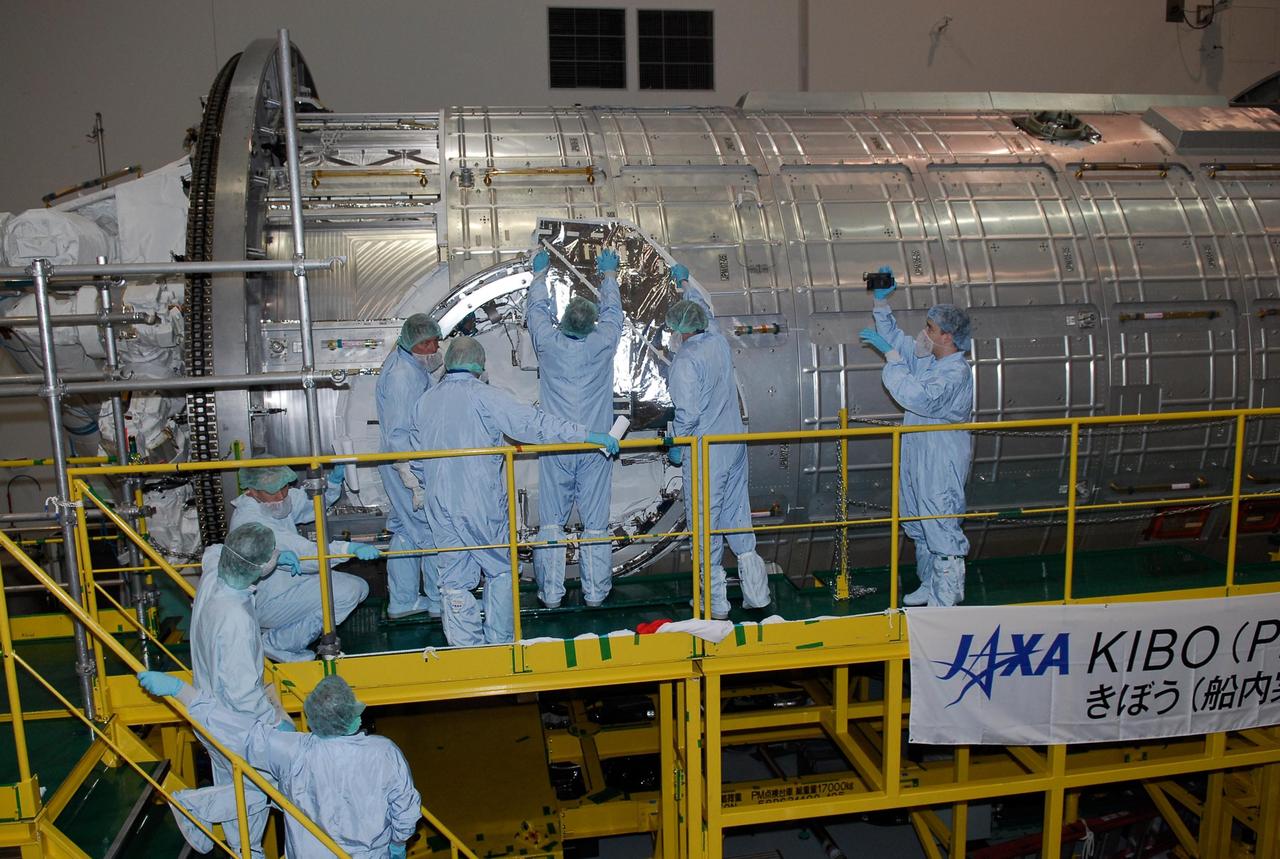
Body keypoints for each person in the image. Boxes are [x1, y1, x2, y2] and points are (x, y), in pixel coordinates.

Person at [409, 336, 620, 647]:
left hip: (438, 502)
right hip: (477, 499)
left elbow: (416, 458)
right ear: (479, 364)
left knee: (453, 578)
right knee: (499, 569)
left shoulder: (424, 401)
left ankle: (466, 649)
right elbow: (534, 424)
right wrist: (588, 435)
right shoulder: (484, 396)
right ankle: (501, 642)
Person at [138, 671, 421, 859]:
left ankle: (196, 807)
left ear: (313, 721)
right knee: (261, 791)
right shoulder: (384, 752)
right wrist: (397, 844)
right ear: (352, 714)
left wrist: (182, 691)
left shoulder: (294, 752)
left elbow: (240, 733)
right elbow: (406, 810)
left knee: (260, 788)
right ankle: (196, 807)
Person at [858, 267, 974, 607]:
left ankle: (947, 597)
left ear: (947, 337)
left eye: (930, 328)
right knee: (918, 521)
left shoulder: (954, 373)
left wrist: (892, 361)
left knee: (939, 522)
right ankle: (929, 583)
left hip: (940, 460)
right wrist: (881, 304)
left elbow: (919, 398)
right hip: (919, 455)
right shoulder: (931, 360)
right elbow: (897, 343)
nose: (924, 333)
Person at [665, 263, 771, 620]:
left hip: (706, 452)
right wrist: (684, 283)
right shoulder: (716, 340)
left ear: (678, 330)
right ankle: (757, 595)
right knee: (737, 516)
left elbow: (688, 415)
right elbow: (703, 310)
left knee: (705, 526)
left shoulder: (685, 361)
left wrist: (676, 443)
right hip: (732, 446)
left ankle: (715, 604)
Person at [526, 247, 624, 609]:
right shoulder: (602, 343)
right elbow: (615, 315)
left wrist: (539, 278)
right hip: (596, 447)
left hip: (557, 447)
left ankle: (551, 594)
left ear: (565, 320)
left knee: (552, 522)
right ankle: (596, 594)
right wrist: (610, 276)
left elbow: (536, 315)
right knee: (596, 522)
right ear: (590, 324)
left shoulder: (549, 344)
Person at [188, 522, 290, 859]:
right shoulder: (235, 621)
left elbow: (213, 551)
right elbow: (243, 694)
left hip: (209, 712)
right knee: (259, 792)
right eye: (270, 557)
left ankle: (240, 848)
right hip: (235, 724)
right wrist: (275, 724)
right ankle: (199, 808)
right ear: (259, 567)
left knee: (232, 783)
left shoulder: (214, 576)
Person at [230, 461, 374, 661]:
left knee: (358, 588)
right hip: (269, 602)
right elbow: (307, 555)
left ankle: (284, 637)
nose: (281, 496)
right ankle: (276, 643)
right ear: (252, 491)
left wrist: (332, 483)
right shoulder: (251, 521)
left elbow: (308, 503)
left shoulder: (272, 503)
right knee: (349, 591)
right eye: (273, 491)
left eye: (285, 487)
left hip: (289, 587)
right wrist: (347, 548)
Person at [377, 314, 444, 620]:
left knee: (406, 527)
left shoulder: (410, 366)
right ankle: (438, 599)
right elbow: (398, 433)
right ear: (410, 343)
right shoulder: (403, 376)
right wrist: (412, 479)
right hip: (407, 465)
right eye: (426, 343)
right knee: (429, 528)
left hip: (405, 462)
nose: (433, 348)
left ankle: (403, 601)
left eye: (435, 341)